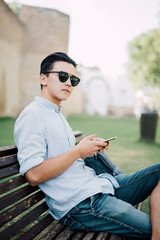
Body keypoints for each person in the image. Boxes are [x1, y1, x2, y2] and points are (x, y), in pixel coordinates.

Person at [14, 52, 160, 240]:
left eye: (73, 80)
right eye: (62, 76)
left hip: (98, 187)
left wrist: (85, 149)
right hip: (82, 204)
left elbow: (64, 158)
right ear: (43, 78)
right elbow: (34, 175)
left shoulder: (56, 114)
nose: (68, 83)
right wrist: (78, 151)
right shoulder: (33, 115)